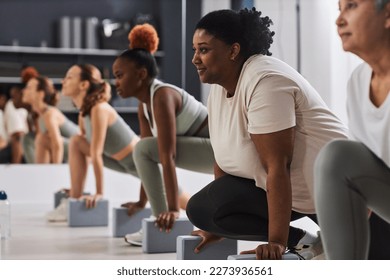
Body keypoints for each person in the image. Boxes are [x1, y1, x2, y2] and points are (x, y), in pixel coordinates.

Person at [186, 8, 349, 260]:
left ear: (233, 51)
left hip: (337, 191)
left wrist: (276, 242)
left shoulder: (266, 80)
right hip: (295, 195)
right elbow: (223, 158)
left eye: (204, 50)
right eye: (195, 50)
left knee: (377, 257)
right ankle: (307, 242)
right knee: (204, 208)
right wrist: (218, 225)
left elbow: (277, 165)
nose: (195, 58)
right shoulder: (219, 88)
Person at [112, 23, 215, 246]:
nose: (116, 82)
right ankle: (157, 218)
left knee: (145, 148)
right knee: (144, 148)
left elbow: (166, 157)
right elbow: (148, 158)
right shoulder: (144, 104)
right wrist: (141, 202)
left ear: (140, 74)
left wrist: (171, 209)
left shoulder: (162, 96)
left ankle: (163, 222)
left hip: (223, 151)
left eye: (120, 75)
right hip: (208, 150)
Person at [314, 0, 390, 260]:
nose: (339, 20)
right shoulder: (358, 81)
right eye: (339, 9)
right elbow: (360, 171)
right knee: (337, 157)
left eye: (352, 6)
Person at [46, 64, 141, 221]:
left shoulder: (99, 109)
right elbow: (84, 151)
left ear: (84, 85)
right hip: (120, 162)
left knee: (181, 202)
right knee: (76, 141)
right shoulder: (84, 113)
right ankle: (74, 199)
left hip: (141, 162)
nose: (63, 81)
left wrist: (99, 193)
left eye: (69, 77)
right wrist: (77, 187)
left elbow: (95, 154)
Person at [22, 76, 79, 163]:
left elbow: (57, 145)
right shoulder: (38, 117)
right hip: (69, 149)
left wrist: (55, 169)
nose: (24, 91)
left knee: (42, 139)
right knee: (32, 138)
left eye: (29, 88)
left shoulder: (49, 114)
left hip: (82, 150)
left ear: (40, 94)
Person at [3, 85, 29, 163]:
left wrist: (15, 166)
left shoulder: (12, 107)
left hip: (23, 155)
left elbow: (18, 136)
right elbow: (17, 136)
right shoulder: (12, 107)